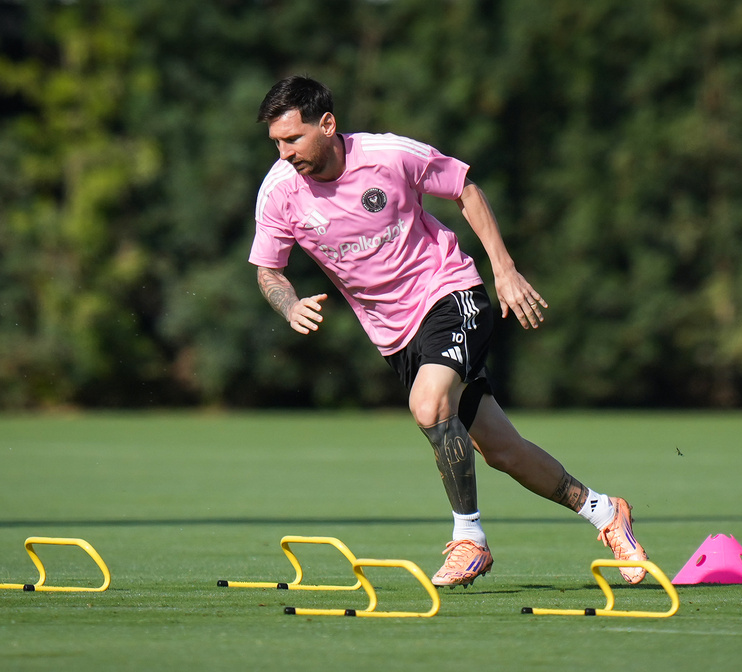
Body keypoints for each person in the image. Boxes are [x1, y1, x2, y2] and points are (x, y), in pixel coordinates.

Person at [247, 75, 647, 587]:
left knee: (427, 404)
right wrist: (288, 305)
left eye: (293, 139)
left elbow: (465, 188)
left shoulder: (389, 155)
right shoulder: (279, 192)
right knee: (502, 450)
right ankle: (605, 512)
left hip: (450, 294)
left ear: (327, 124)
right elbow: (268, 270)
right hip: (396, 337)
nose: (284, 153)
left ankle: (469, 540)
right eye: (276, 143)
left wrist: (504, 270)